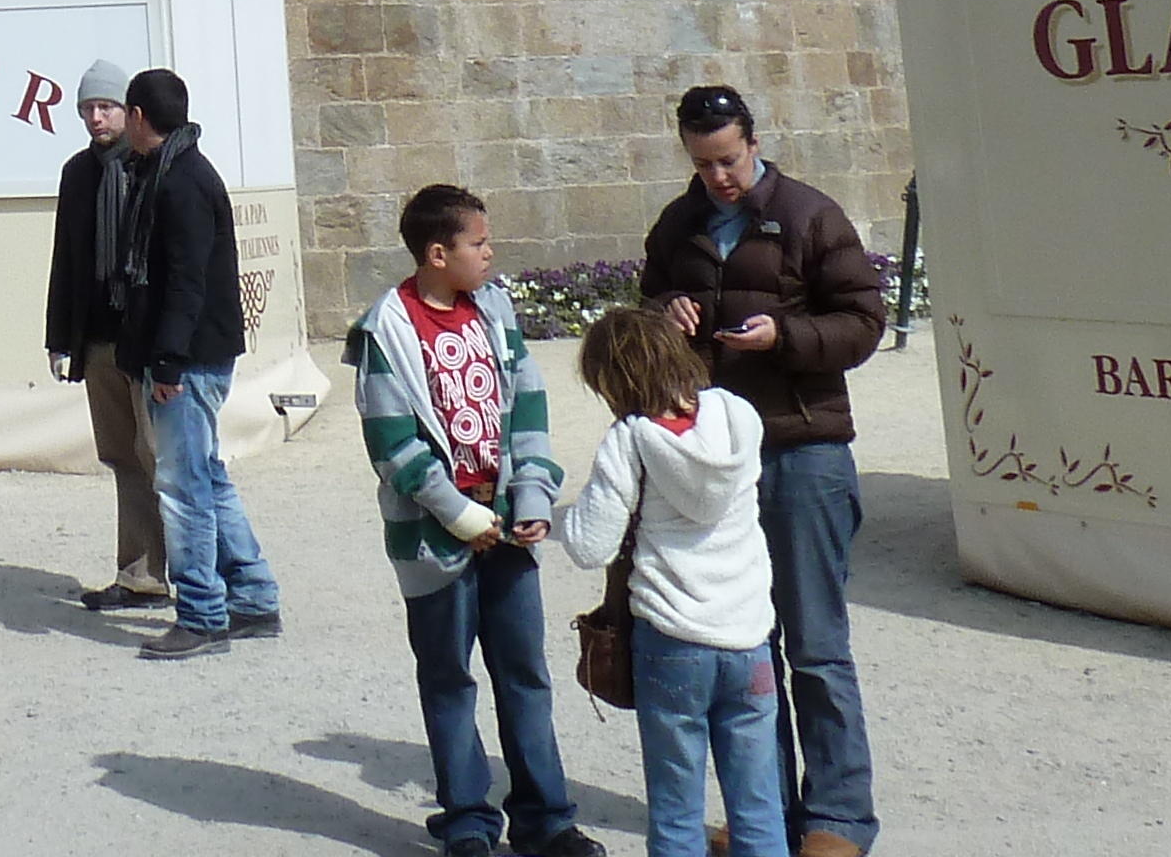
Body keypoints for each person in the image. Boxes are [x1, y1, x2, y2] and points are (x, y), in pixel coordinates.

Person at [642, 82, 890, 857]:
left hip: (802, 447)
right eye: (702, 162)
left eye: (728, 158)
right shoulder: (678, 225)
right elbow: (648, 305)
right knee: (748, 649)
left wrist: (781, 337)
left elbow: (862, 321)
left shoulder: (813, 216)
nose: (718, 176)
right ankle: (768, 820)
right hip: (717, 461)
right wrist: (664, 317)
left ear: (753, 140)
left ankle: (839, 821)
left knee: (816, 647)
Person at [346, 184, 595, 857]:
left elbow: (528, 406)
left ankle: (546, 819)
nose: (490, 254)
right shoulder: (385, 332)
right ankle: (466, 821)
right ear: (437, 253)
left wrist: (534, 498)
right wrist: (459, 516)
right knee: (449, 677)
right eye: (478, 243)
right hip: (437, 537)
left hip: (510, 529)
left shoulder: (494, 311)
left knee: (525, 674)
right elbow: (392, 444)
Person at [555, 306, 777, 857]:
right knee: (758, 806)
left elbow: (589, 545)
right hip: (748, 636)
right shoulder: (736, 414)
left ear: (613, 381)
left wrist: (552, 516)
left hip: (674, 639)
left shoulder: (630, 439)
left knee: (677, 811)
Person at [113, 67, 277, 658]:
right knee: (207, 476)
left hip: (188, 359)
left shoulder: (179, 182)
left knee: (182, 487)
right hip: (198, 352)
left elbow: (184, 282)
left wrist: (167, 363)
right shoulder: (178, 170)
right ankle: (254, 598)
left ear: (137, 116)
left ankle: (204, 614)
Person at [43, 56, 170, 613]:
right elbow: (66, 256)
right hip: (97, 336)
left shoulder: (154, 167)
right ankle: (140, 574)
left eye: (106, 107)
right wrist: (59, 335)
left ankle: (196, 578)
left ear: (130, 110)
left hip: (145, 339)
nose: (96, 118)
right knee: (122, 457)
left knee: (162, 457)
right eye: (87, 109)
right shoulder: (77, 172)